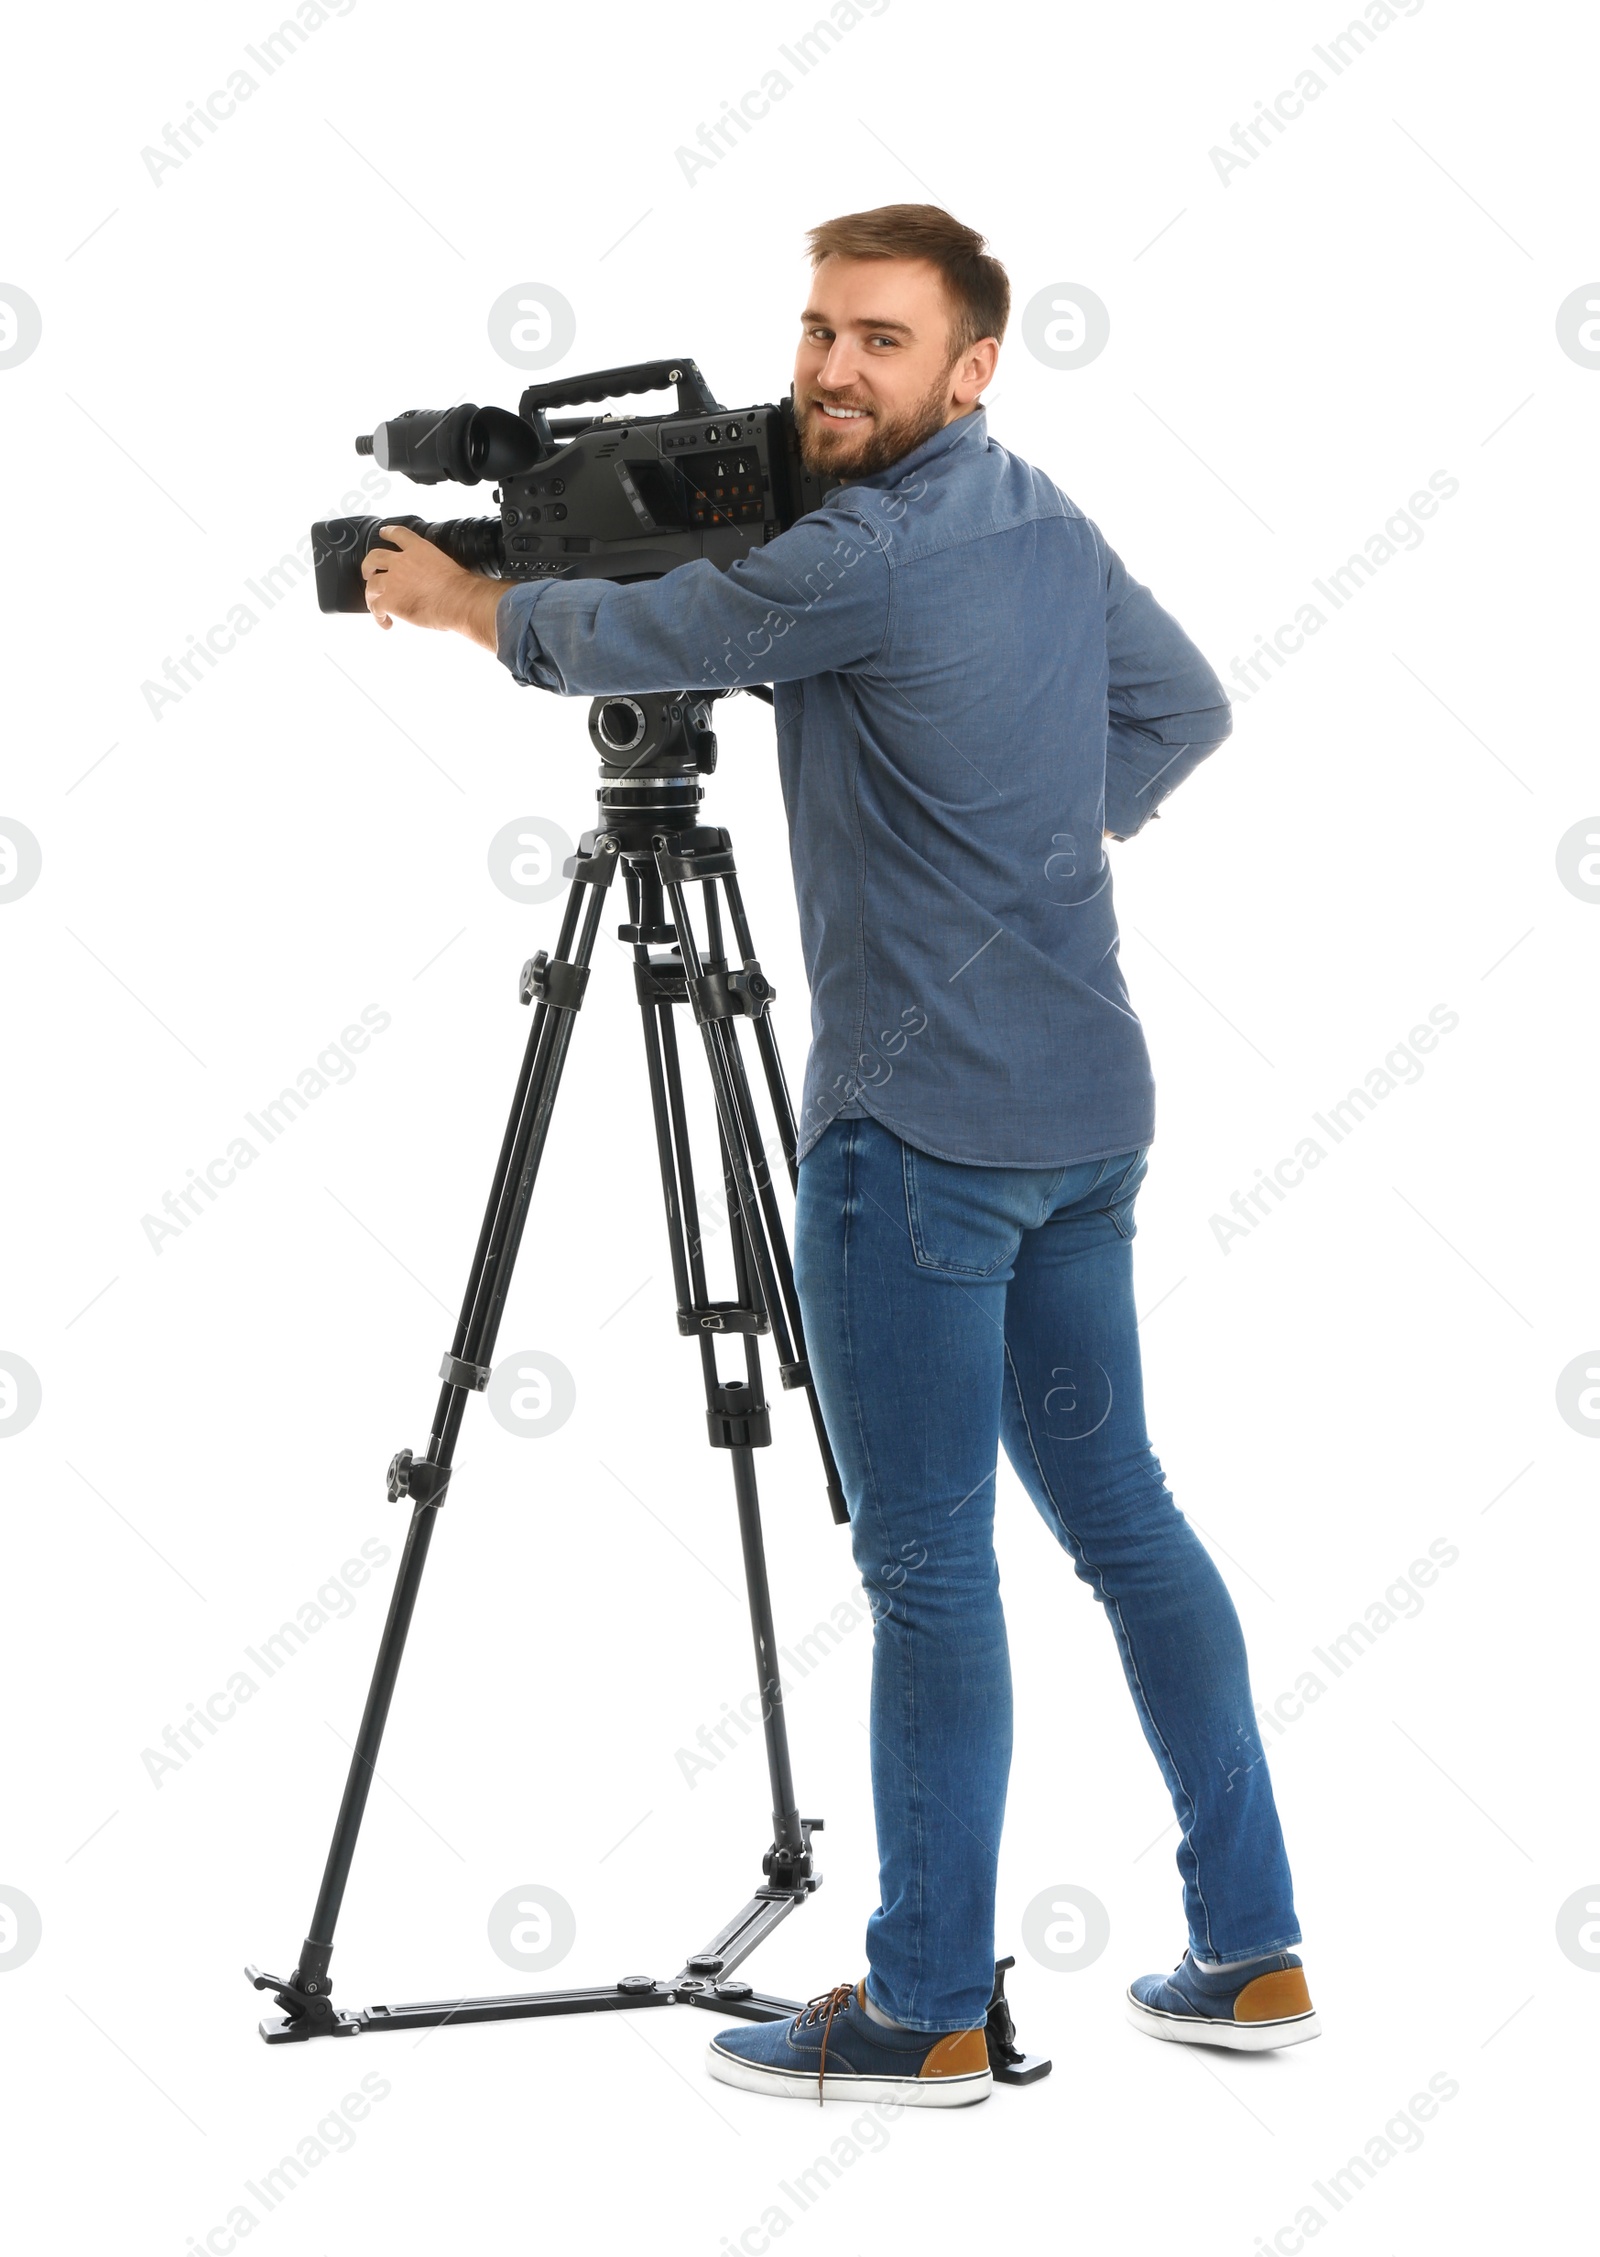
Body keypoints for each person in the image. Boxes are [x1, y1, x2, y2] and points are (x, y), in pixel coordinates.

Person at [360, 202, 1317, 2108]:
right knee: (1122, 1518)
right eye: (814, 330)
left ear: (971, 366)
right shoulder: (1043, 518)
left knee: (933, 1569)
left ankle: (925, 2007)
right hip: (1081, 1111)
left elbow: (640, 635)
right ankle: (1251, 1951)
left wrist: (464, 601)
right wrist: (1031, 834)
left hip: (918, 1135)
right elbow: (1183, 706)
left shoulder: (857, 553)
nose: (828, 368)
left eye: (880, 340)